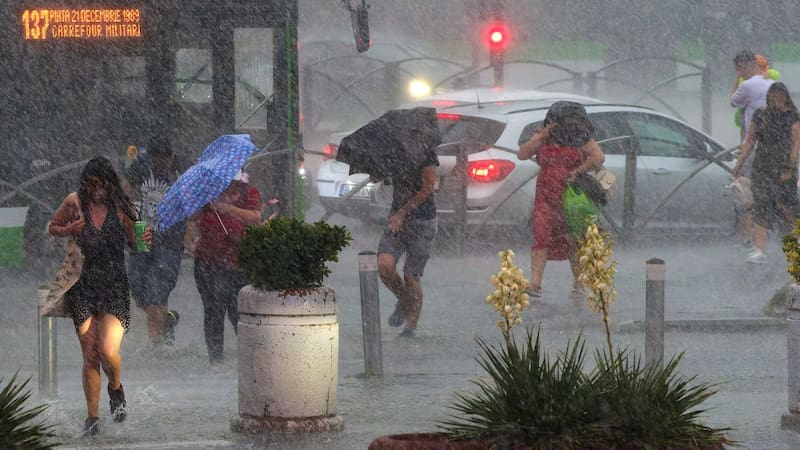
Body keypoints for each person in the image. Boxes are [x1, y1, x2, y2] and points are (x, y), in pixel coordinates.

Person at [48, 156, 151, 435]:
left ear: (110, 184)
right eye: (92, 184)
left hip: (114, 286)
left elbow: (136, 244)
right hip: (82, 286)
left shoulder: (123, 208)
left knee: (108, 351)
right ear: (85, 184)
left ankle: (116, 387)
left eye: (102, 184)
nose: (97, 190)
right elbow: (52, 227)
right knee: (90, 355)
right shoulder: (74, 202)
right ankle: (91, 418)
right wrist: (69, 229)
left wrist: (146, 240)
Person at [517, 103, 605, 299]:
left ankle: (579, 282)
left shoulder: (580, 137)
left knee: (573, 239)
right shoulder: (544, 136)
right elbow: (522, 154)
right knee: (541, 236)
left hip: (570, 197)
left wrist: (577, 171)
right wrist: (540, 137)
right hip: (545, 196)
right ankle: (536, 283)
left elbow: (598, 157)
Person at [192, 171, 262, 365]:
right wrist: (203, 200)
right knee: (213, 311)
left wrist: (226, 209)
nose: (230, 182)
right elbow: (192, 217)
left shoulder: (250, 193)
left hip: (238, 262)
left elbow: (255, 218)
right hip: (208, 262)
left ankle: (250, 361)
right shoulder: (209, 193)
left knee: (239, 311)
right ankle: (216, 361)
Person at [123, 137, 186, 347]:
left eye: (162, 160)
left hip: (170, 241)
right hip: (141, 238)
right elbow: (125, 192)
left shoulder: (182, 170)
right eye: (154, 160)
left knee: (157, 291)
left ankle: (156, 346)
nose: (158, 165)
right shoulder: (140, 167)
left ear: (171, 156)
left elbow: (191, 200)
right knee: (138, 290)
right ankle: (166, 320)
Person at [732, 82, 800, 264]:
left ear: (786, 97)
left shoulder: (792, 116)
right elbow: (750, 140)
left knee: (786, 208)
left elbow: (795, 146)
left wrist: (789, 168)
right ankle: (759, 250)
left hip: (783, 169)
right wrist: (739, 162)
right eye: (773, 96)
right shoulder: (761, 115)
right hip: (762, 168)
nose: (776, 100)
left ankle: (793, 249)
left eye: (779, 97)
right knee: (761, 206)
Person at [378, 142, 439, 338]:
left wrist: (403, 212)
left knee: (411, 276)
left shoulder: (427, 153)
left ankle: (410, 328)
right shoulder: (392, 151)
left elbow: (428, 188)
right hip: (397, 220)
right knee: (384, 266)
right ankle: (405, 301)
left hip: (422, 221)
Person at [730, 51, 778, 247]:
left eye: (739, 69)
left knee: (745, 192)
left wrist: (738, 79)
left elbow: (733, 101)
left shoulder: (747, 85)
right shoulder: (772, 85)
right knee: (769, 193)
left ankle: (750, 237)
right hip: (773, 147)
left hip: (754, 148)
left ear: (744, 67)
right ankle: (766, 237)